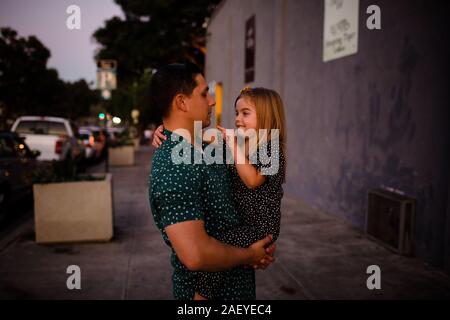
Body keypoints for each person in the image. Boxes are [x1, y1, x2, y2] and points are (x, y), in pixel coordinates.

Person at [148, 63, 275, 300]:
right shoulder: (175, 166)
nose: (213, 101)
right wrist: (250, 255)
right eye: (205, 93)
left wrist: (258, 243)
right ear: (181, 102)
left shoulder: (204, 148)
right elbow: (196, 255)